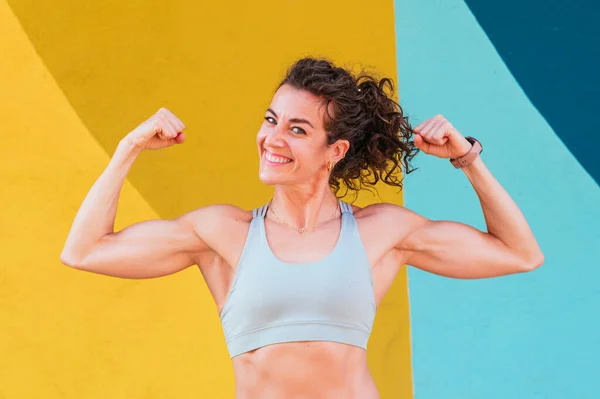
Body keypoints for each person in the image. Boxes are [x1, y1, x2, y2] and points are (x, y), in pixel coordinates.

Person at [60, 57, 544, 399]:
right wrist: (129, 148)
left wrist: (466, 159)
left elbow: (519, 253)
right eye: (271, 120)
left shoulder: (382, 233)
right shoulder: (222, 233)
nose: (271, 138)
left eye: (297, 129)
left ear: (334, 152)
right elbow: (85, 251)